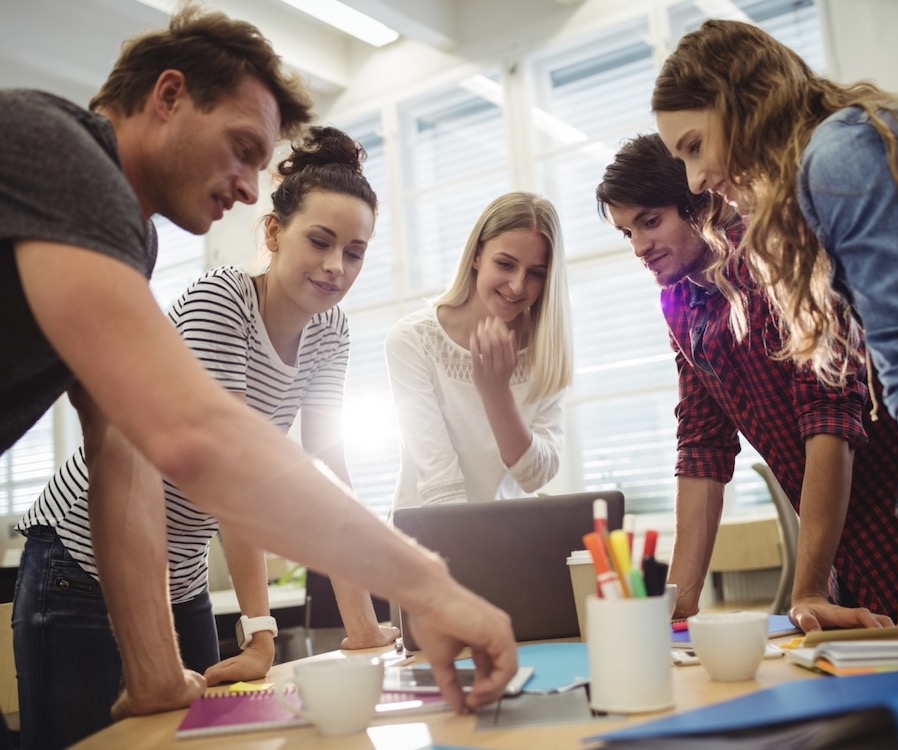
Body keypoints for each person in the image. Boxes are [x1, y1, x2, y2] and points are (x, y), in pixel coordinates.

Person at [0, 4, 516, 738]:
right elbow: (198, 438)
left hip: (167, 579)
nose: (248, 187)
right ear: (169, 95)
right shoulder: (60, 151)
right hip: (68, 570)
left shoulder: (130, 237)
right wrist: (431, 588)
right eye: (240, 149)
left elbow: (122, 444)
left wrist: (152, 668)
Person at [13, 125, 401, 748]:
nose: (336, 267)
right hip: (79, 566)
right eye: (321, 242)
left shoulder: (332, 332)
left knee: (205, 743)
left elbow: (331, 470)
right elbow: (229, 473)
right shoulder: (221, 302)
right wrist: (260, 630)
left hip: (180, 577)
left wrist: (363, 627)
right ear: (273, 234)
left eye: (354, 253)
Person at [652, 19, 898, 651]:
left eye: (695, 146)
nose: (696, 179)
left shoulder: (838, 159)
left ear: (744, 105)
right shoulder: (840, 160)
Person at [596, 134, 898, 650]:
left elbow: (830, 420)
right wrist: (681, 607)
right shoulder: (681, 307)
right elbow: (701, 449)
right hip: (846, 563)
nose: (640, 247)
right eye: (628, 232)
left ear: (700, 201)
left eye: (651, 221)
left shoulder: (777, 260)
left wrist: (804, 588)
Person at [385, 192, 573, 509]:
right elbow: (439, 482)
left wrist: (496, 393)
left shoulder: (546, 352)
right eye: (505, 264)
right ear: (476, 256)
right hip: (425, 537)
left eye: (536, 273)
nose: (517, 285)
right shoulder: (413, 340)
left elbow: (535, 476)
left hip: (500, 539)